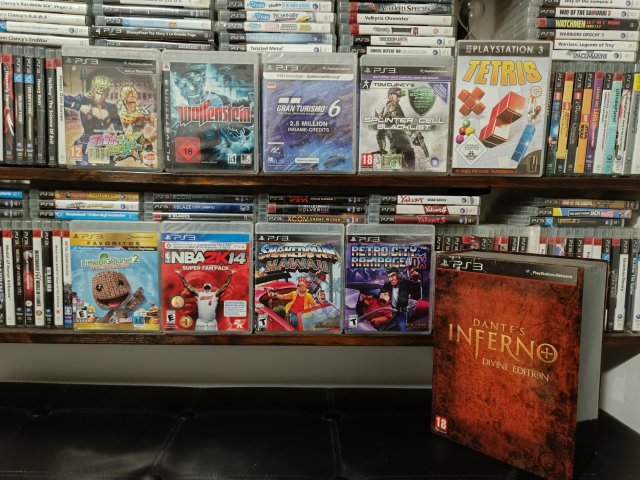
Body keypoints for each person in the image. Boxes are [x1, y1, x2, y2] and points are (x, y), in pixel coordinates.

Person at [64, 75, 123, 164]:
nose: (101, 96)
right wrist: (79, 106)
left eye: (103, 94)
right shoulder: (84, 100)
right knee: (83, 167)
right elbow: (61, 99)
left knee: (109, 166)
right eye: (98, 93)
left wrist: (121, 140)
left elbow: (119, 128)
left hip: (101, 143)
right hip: (84, 143)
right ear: (94, 91)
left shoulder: (111, 107)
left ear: (107, 93)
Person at [376, 87, 419, 170]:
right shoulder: (394, 105)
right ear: (390, 96)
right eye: (398, 96)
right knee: (410, 171)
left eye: (400, 97)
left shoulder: (383, 112)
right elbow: (402, 122)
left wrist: (382, 149)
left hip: (393, 148)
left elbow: (379, 134)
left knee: (395, 173)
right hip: (405, 146)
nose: (399, 99)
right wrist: (413, 133)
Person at [379, 267, 422, 332]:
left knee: (403, 331)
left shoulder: (407, 283)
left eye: (393, 276)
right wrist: (383, 295)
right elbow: (381, 294)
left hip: (401, 312)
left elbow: (417, 297)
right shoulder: (387, 284)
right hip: (390, 311)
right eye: (389, 276)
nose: (391, 279)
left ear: (399, 275)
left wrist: (416, 281)